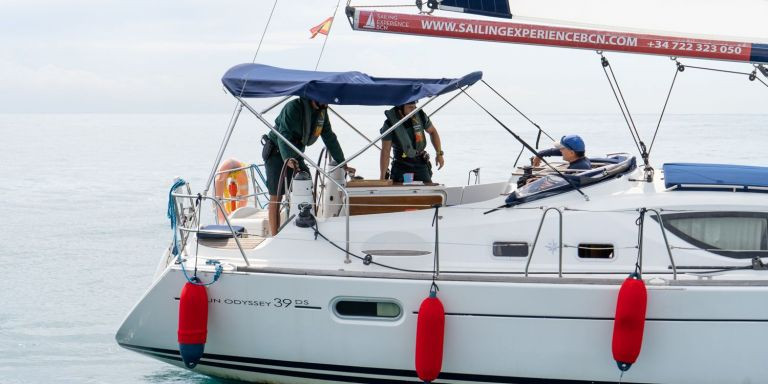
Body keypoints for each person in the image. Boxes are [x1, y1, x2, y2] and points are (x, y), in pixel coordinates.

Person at [262, 97, 355, 236]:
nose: (326, 102)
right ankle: (274, 236)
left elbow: (330, 137)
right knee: (276, 196)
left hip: (296, 152)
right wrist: (287, 158)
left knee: (306, 182)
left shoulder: (322, 113)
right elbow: (283, 134)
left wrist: (343, 163)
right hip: (276, 152)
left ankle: (307, 227)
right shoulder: (293, 107)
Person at [379, 102, 444, 182]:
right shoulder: (389, 124)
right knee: (405, 192)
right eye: (410, 107)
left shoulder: (420, 115)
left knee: (427, 191)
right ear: (400, 109)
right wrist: (382, 177)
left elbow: (433, 132)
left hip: (421, 163)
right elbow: (385, 151)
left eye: (414, 107)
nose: (414, 110)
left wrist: (439, 154)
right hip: (402, 166)